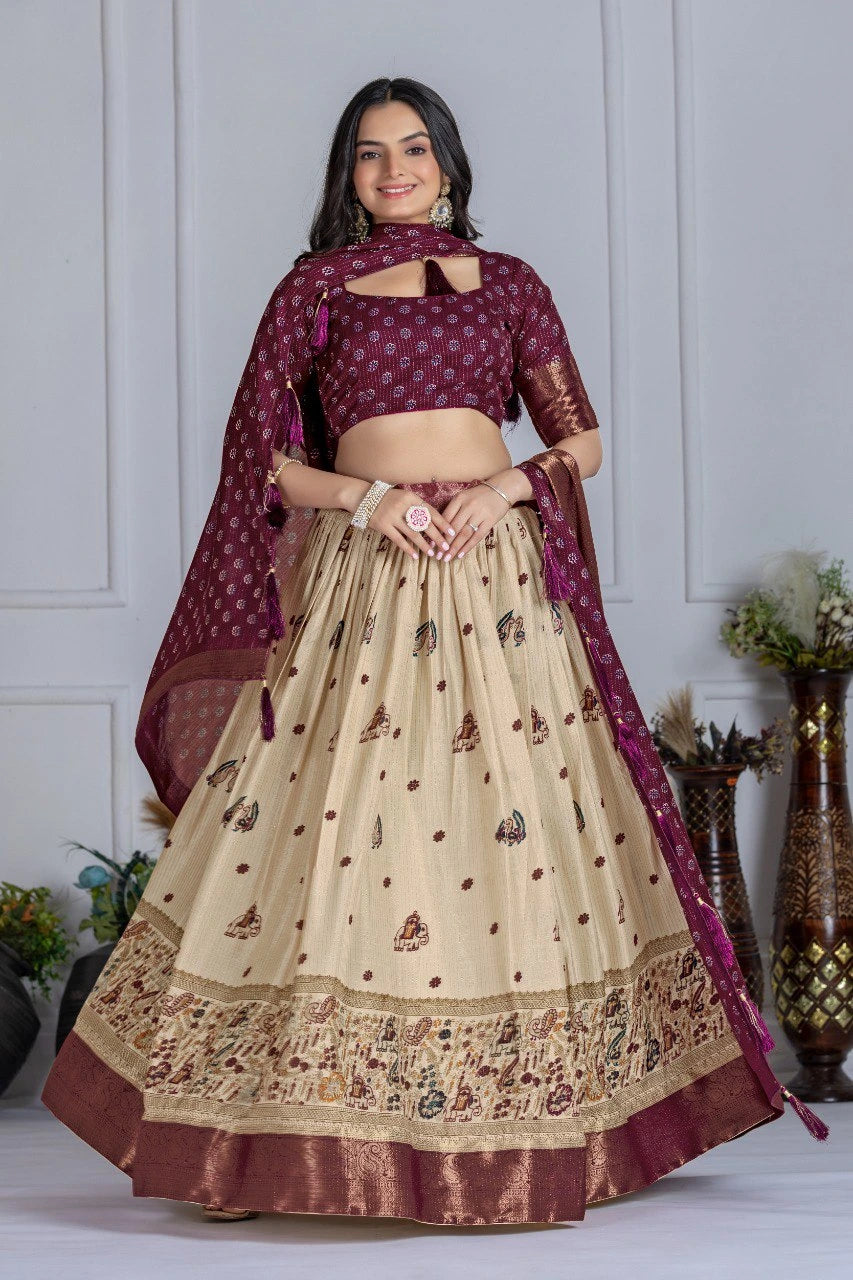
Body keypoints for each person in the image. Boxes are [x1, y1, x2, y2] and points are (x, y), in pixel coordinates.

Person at [40, 76, 827, 1228]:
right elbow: (260, 461)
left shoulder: (509, 285)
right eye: (369, 154)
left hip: (497, 573)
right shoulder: (314, 289)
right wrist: (365, 503)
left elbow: (580, 438)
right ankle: (256, 1136)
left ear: (449, 161)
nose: (394, 168)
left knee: (514, 824)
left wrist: (507, 485)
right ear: (345, 177)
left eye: (413, 147)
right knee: (336, 823)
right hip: (364, 573)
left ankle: (529, 1130)